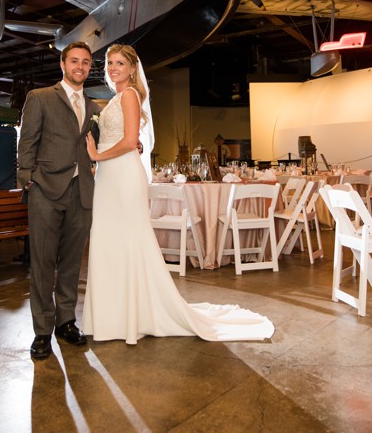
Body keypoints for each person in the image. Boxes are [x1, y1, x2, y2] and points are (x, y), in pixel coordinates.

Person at [83, 44, 274, 344]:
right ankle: (116, 314)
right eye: (109, 63)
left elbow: (131, 140)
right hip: (111, 176)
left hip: (121, 175)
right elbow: (129, 141)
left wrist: (97, 156)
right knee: (111, 240)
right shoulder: (116, 98)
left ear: (133, 69)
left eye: (120, 63)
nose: (113, 68)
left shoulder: (130, 95)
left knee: (128, 239)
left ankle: (132, 314)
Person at [17, 41, 101, 360]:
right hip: (46, 190)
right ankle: (42, 331)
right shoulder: (40, 98)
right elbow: (27, 143)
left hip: (82, 191)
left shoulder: (93, 106)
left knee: (70, 263)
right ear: (63, 65)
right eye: (74, 61)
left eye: (86, 62)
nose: (80, 66)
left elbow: (96, 145)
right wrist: (29, 179)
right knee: (42, 262)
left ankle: (66, 322)